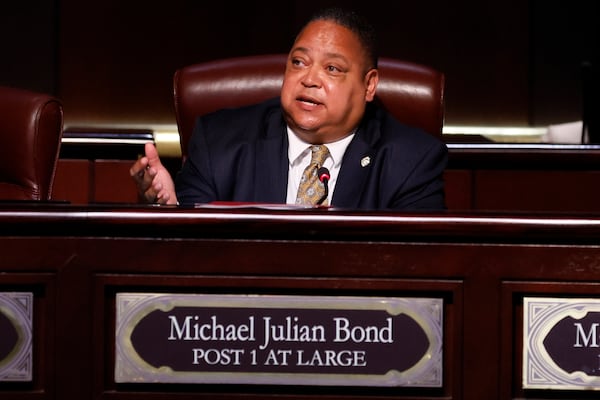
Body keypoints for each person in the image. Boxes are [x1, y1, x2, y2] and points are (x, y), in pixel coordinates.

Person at [130, 7, 448, 210]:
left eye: (332, 69)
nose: (309, 79)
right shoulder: (220, 143)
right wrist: (172, 209)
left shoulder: (412, 161)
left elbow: (416, 269)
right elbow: (191, 256)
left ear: (369, 86)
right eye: (298, 63)